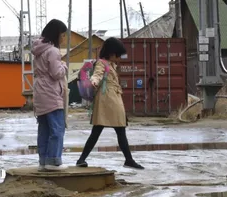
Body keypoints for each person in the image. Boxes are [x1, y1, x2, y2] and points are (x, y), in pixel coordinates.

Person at [76, 37, 144, 170]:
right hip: (107, 100)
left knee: (112, 130)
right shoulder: (102, 63)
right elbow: (97, 75)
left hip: (112, 99)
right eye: (117, 54)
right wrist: (94, 81)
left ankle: (82, 159)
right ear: (111, 53)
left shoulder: (111, 64)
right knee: (106, 130)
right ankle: (128, 160)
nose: (119, 57)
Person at [32, 19, 68, 171]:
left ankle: (43, 161)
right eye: (63, 34)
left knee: (44, 129)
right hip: (51, 93)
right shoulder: (53, 51)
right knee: (57, 129)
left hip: (40, 92)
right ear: (56, 34)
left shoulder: (38, 50)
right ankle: (53, 161)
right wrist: (64, 66)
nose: (63, 38)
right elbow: (56, 73)